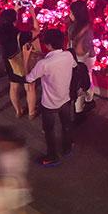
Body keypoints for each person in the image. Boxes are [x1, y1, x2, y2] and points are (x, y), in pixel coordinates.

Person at [25, 27, 76, 167]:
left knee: (49, 130)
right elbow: (72, 65)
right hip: (65, 98)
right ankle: (67, 147)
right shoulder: (68, 55)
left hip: (49, 103)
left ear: (48, 45)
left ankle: (52, 156)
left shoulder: (44, 64)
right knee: (66, 124)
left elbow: (29, 78)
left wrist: (26, 57)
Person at [0, 9, 38, 119]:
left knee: (13, 86)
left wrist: (15, 10)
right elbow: (37, 31)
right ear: (15, 21)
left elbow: (8, 22)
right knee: (30, 86)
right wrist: (33, 14)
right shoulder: (19, 35)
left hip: (9, 61)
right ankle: (31, 112)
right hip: (23, 61)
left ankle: (18, 111)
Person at [0, 128, 31, 214]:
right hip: (14, 187)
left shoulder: (12, 159)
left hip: (12, 189)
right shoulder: (19, 150)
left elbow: (12, 177)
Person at [67, 0, 95, 116]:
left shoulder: (73, 28)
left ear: (76, 14)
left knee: (78, 82)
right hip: (90, 56)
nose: (69, 14)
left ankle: (79, 110)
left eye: (71, 12)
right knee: (88, 77)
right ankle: (89, 100)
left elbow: (72, 46)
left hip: (79, 58)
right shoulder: (89, 25)